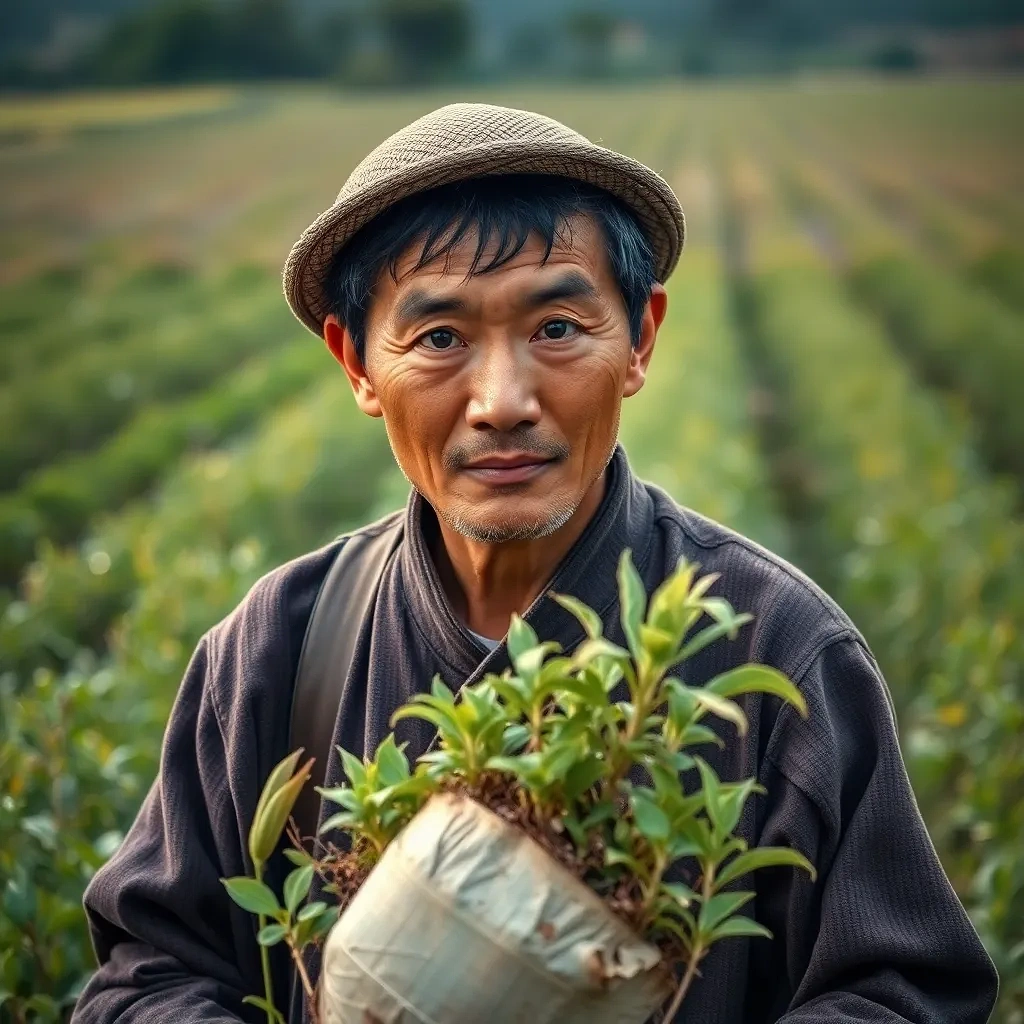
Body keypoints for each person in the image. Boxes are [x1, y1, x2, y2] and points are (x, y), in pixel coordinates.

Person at [72, 103, 998, 1024]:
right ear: (354, 362)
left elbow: (905, 994)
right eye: (439, 339)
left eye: (557, 326)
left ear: (639, 339)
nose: (503, 401)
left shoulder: (778, 655)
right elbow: (144, 972)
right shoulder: (276, 648)